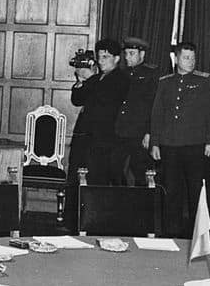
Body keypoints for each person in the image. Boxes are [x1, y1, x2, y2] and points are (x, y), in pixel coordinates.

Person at [150, 41, 210, 236]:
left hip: (195, 145)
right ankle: (170, 233)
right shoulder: (165, 82)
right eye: (186, 58)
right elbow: (157, 114)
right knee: (171, 191)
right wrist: (155, 142)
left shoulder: (204, 81)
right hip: (170, 145)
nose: (191, 62)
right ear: (177, 59)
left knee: (196, 191)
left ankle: (199, 234)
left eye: (193, 58)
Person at [69, 39, 129, 186]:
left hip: (103, 140)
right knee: (76, 177)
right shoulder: (96, 78)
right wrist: (80, 81)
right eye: (99, 57)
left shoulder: (121, 79)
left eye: (105, 57)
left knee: (95, 179)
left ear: (116, 59)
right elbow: (77, 100)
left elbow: (106, 99)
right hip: (84, 137)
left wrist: (89, 78)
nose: (101, 61)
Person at [113, 36, 160, 185]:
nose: (127, 57)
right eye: (126, 53)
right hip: (121, 130)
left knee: (139, 170)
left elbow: (154, 105)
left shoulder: (151, 75)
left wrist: (149, 132)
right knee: (114, 167)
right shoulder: (122, 74)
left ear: (142, 55)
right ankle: (123, 200)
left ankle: (139, 206)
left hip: (139, 132)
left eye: (131, 54)